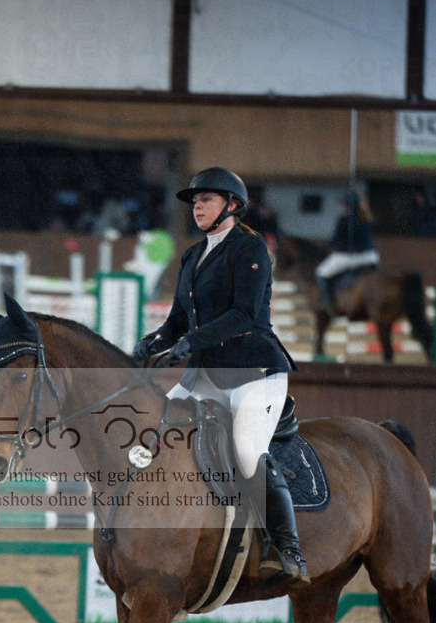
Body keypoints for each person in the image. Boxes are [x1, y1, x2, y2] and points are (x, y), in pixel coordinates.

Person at [132, 166, 310, 589]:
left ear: (231, 205)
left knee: (248, 450)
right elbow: (178, 318)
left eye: (206, 200)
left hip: (254, 372)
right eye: (194, 201)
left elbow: (244, 315)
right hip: (207, 374)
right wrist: (154, 340)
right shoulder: (193, 255)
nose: (197, 207)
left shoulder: (250, 248)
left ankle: (287, 550)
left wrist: (191, 340)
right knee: (154, 428)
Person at [314, 191, 379, 313]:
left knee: (321, 272)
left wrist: (323, 246)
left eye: (343, 204)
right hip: (371, 257)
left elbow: (336, 241)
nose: (342, 206)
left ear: (347, 205)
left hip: (352, 257)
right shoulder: (367, 218)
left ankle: (327, 302)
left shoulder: (344, 220)